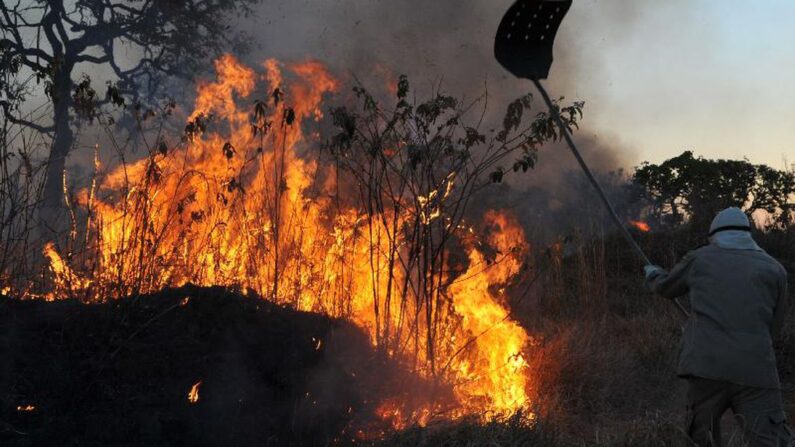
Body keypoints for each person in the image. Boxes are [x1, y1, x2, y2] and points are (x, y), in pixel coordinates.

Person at [645, 207, 792, 447]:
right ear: (748, 234)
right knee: (770, 439)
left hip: (706, 367)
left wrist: (652, 274)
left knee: (701, 437)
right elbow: (774, 327)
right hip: (756, 369)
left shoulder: (699, 259)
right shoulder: (775, 269)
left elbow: (666, 287)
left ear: (715, 234)